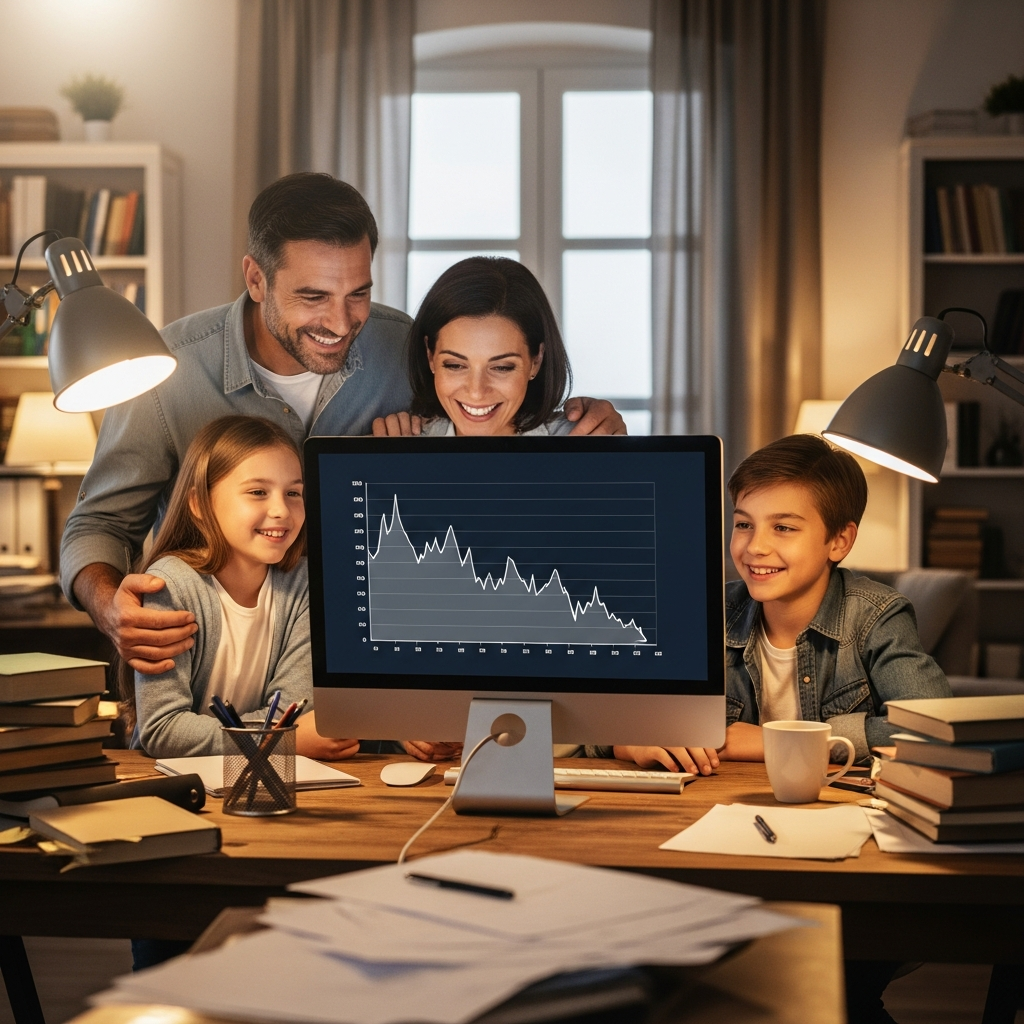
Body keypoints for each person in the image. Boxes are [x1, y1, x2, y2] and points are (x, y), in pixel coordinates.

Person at [61, 172, 625, 681]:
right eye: (313, 296)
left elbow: (486, 402)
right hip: (211, 663)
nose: (340, 321)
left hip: (364, 668)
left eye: (358, 293)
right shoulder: (168, 369)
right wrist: (110, 606)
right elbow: (99, 522)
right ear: (256, 279)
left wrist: (583, 417)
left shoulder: (400, 345)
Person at [609, 433, 951, 778]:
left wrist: (776, 740)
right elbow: (607, 712)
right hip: (721, 808)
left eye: (783, 527)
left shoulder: (876, 617)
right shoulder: (708, 611)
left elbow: (936, 729)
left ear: (839, 541)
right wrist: (629, 742)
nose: (755, 546)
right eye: (744, 524)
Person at [130, 415, 357, 761]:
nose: (281, 510)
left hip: (264, 780)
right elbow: (163, 730)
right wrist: (277, 740)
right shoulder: (171, 586)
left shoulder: (305, 585)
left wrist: (280, 732)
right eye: (258, 492)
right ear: (198, 504)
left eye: (294, 493)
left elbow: (295, 712)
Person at [372, 256, 576, 438]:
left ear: (536, 361)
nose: (477, 392)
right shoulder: (393, 450)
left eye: (502, 367)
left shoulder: (586, 446)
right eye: (455, 365)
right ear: (430, 356)